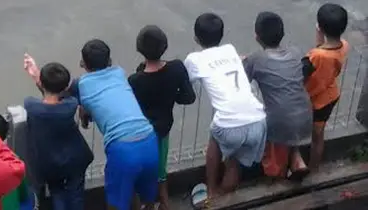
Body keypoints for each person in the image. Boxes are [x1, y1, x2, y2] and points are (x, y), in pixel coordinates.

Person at [67, 39, 159, 210]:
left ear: (83, 64)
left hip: (123, 149)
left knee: (116, 203)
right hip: (150, 140)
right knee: (148, 200)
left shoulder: (82, 84)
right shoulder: (119, 73)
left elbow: (60, 89)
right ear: (109, 61)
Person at [184, 13, 266, 201]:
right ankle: (225, 195)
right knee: (234, 162)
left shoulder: (194, 59)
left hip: (229, 124)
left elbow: (186, 81)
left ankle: (211, 191)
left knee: (215, 142)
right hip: (258, 120)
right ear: (222, 35)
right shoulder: (230, 50)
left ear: (196, 38)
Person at [128, 26, 196, 210]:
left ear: (139, 48)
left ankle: (147, 205)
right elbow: (189, 97)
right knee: (160, 171)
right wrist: (171, 95)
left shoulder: (135, 80)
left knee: (140, 173)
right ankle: (165, 204)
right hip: (163, 129)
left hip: (141, 134)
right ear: (165, 46)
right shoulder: (176, 68)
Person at [243, 12, 312, 181]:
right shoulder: (296, 52)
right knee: (287, 115)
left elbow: (243, 80)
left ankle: (278, 178)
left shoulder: (256, 59)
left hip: (279, 123)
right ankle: (297, 161)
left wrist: (243, 61)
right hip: (305, 116)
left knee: (275, 157)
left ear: (256, 36)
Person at [21, 57, 93, 210]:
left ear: (42, 83)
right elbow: (60, 95)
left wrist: (36, 76)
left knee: (57, 192)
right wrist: (38, 77)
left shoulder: (31, 106)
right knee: (76, 194)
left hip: (50, 164)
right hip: (76, 160)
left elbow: (46, 100)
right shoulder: (71, 104)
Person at [304, 3, 350, 171]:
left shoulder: (315, 57)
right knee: (319, 134)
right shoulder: (344, 45)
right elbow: (325, 56)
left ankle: (306, 166)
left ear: (320, 27)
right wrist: (320, 37)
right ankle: (314, 168)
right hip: (330, 95)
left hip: (315, 101)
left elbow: (305, 71)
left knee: (312, 136)